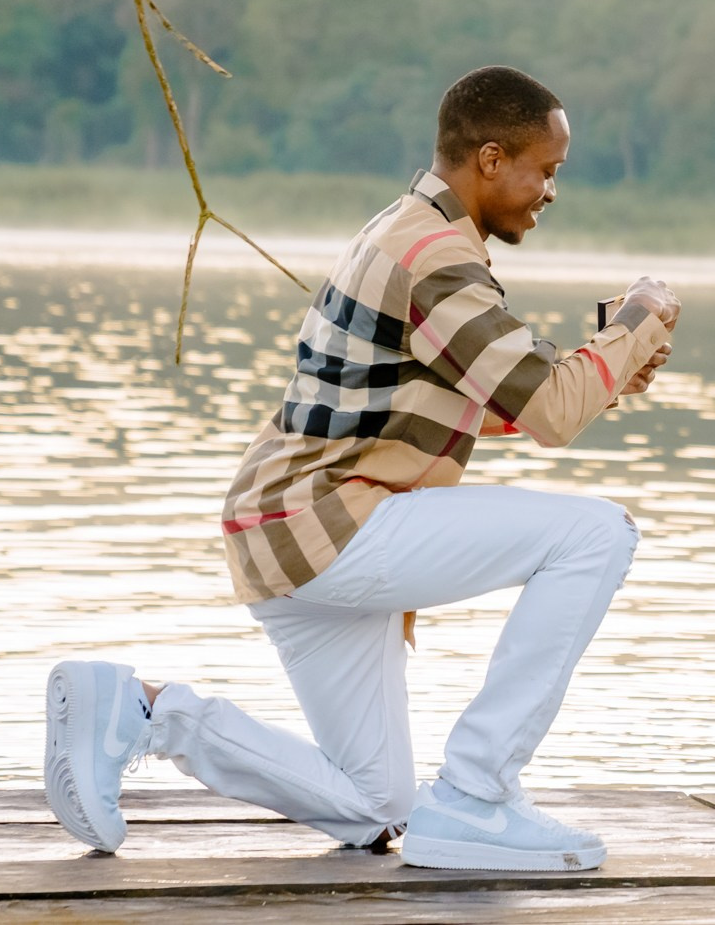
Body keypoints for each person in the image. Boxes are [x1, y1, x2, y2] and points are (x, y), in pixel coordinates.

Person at [42, 65, 680, 872]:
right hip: (332, 524)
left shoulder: (409, 230)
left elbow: (492, 402)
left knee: (374, 803)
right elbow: (550, 409)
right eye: (544, 169)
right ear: (489, 158)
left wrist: (613, 364)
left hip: (290, 533)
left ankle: (140, 712)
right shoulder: (437, 256)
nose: (550, 190)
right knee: (598, 533)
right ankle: (479, 790)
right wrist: (633, 320)